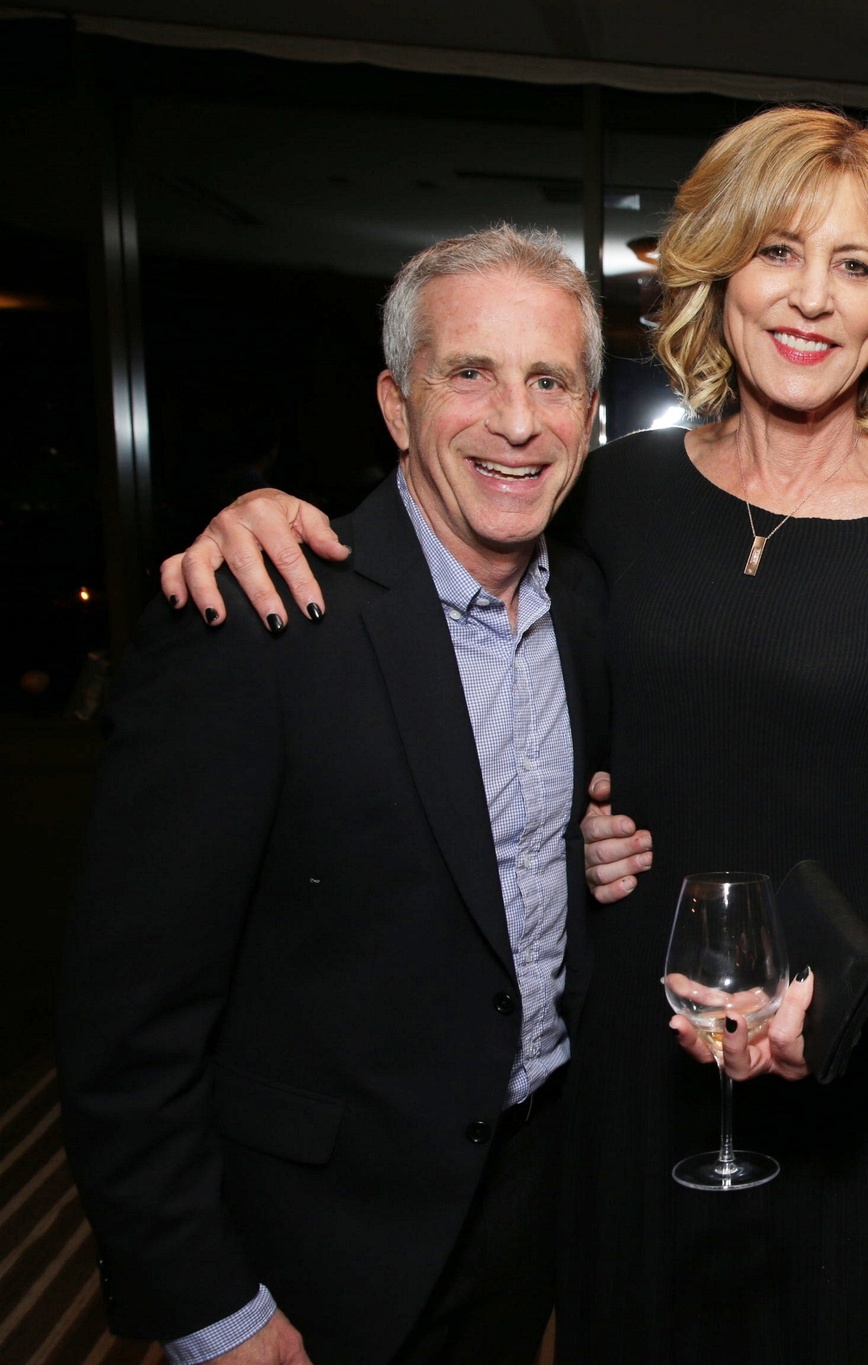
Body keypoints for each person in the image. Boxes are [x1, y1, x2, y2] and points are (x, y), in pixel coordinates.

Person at [157, 106, 868, 1364]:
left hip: (841, 1069)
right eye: (780, 251)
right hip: (629, 1062)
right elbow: (461, 632)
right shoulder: (609, 493)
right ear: (721, 273)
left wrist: (854, 981)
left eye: (856, 267)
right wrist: (259, 513)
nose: (813, 299)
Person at [61, 225, 610, 1365]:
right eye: (469, 372)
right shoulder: (255, 619)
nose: (516, 421)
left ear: (590, 413)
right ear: (395, 404)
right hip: (310, 1248)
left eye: (549, 380)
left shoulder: (598, 610)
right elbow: (127, 1015)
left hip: (525, 1205)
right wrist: (209, 1303)